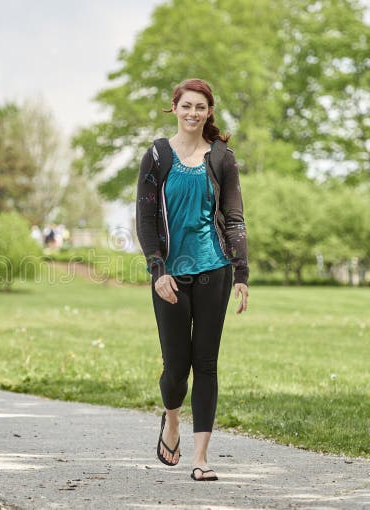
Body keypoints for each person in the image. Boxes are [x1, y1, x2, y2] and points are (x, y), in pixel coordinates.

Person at [135, 78, 249, 481]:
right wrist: (157, 270)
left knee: (206, 364)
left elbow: (234, 218)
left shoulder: (221, 158)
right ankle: (171, 420)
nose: (193, 113)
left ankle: (201, 459)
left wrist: (241, 271)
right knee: (175, 368)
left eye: (200, 107)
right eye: (186, 106)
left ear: (209, 112)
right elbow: (145, 220)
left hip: (213, 269)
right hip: (170, 275)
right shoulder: (156, 155)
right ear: (175, 108)